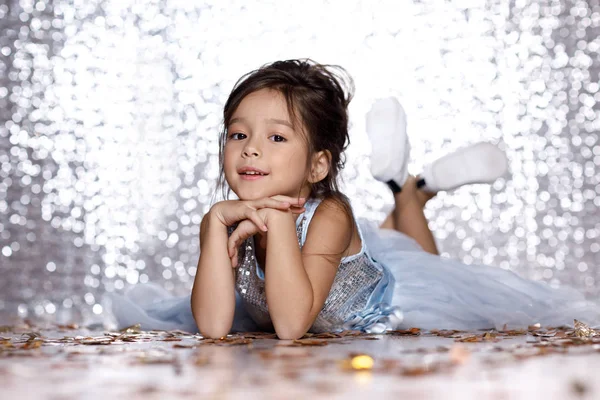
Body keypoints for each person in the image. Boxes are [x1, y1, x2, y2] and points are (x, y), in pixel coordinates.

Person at [108, 59, 600, 339]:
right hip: (316, 293)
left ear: (318, 166)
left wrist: (279, 221)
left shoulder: (332, 215)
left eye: (277, 138)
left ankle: (413, 192)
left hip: (390, 302)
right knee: (391, 242)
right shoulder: (223, 218)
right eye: (238, 135)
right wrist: (215, 224)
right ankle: (406, 188)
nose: (251, 147)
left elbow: (291, 325)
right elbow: (214, 328)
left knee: (425, 262)